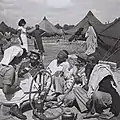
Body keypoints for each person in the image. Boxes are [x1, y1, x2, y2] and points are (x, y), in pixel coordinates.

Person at [0, 36, 28, 119]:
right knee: (30, 94)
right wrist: (17, 89)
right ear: (15, 57)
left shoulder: (2, 65)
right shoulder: (10, 69)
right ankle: (15, 107)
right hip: (3, 94)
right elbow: (6, 90)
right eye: (21, 58)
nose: (21, 60)